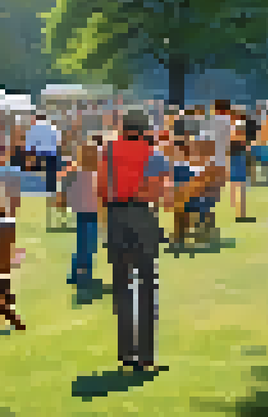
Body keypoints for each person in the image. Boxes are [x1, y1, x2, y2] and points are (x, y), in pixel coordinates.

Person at [98, 110, 172, 373]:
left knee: (122, 286)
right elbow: (158, 193)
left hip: (115, 217)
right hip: (141, 216)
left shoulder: (107, 154)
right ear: (145, 131)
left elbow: (102, 190)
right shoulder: (154, 155)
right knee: (147, 285)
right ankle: (146, 355)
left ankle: (126, 353)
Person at [64, 137, 101, 285]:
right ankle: (84, 275)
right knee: (88, 247)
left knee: (82, 245)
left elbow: (70, 193)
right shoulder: (92, 174)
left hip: (83, 213)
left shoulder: (78, 173)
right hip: (90, 213)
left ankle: (76, 274)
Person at [228, 104, 255, 223]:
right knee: (241, 185)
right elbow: (238, 139)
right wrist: (246, 144)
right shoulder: (238, 124)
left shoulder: (231, 124)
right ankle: (241, 213)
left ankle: (237, 210)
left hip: (235, 155)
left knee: (236, 185)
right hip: (238, 155)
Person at [26, 112, 62, 195]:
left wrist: (29, 153)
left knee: (35, 173)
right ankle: (51, 190)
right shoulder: (53, 128)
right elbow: (58, 141)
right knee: (51, 174)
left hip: (37, 153)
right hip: (51, 153)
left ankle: (36, 190)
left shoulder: (33, 128)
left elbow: (30, 143)